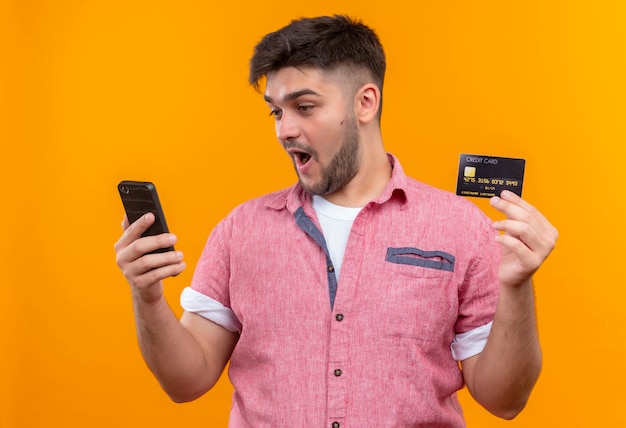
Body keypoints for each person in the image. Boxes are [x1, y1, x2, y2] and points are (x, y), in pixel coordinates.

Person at [114, 15, 558, 427]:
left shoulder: (461, 227)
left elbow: (505, 400)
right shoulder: (240, 230)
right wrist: (148, 297)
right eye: (276, 110)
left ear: (366, 102)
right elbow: (185, 381)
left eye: (304, 107)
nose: (284, 130)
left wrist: (517, 286)